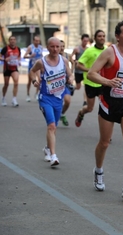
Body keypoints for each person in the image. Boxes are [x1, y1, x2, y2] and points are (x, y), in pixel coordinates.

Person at [86, 20, 123, 197]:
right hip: (109, 102)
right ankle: (98, 170)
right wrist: (108, 82)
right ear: (118, 36)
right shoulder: (110, 52)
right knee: (104, 142)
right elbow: (91, 73)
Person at [29, 37, 73, 166]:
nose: (55, 49)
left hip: (58, 98)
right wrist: (34, 81)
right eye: (52, 47)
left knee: (54, 127)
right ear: (47, 48)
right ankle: (54, 156)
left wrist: (70, 79)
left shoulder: (64, 60)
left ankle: (48, 148)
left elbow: (70, 74)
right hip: (45, 98)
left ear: (60, 48)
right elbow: (32, 71)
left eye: (57, 47)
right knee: (51, 125)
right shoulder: (41, 62)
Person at [74, 29, 107, 127]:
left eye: (103, 36)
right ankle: (81, 113)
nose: (102, 38)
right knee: (89, 108)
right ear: (95, 38)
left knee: (104, 108)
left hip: (103, 83)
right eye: (99, 36)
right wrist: (90, 70)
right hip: (90, 83)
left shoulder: (107, 50)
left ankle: (106, 133)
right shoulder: (89, 51)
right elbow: (79, 65)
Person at [1, 36, 21, 107]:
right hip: (7, 68)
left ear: (15, 41)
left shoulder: (18, 48)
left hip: (14, 68)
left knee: (16, 83)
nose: (12, 41)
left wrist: (19, 61)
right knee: (6, 84)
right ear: (9, 41)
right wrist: (4, 59)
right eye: (11, 40)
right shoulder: (6, 48)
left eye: (14, 39)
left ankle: (14, 99)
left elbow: (19, 57)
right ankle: (3, 98)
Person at [24, 35, 44, 102]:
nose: (37, 42)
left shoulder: (41, 47)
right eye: (36, 41)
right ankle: (28, 94)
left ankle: (37, 93)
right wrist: (30, 56)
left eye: (38, 41)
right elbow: (24, 56)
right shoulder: (30, 47)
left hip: (38, 67)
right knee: (30, 81)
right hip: (32, 66)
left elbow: (41, 56)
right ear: (33, 41)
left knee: (40, 79)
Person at [71, 33, 90, 105]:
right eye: (84, 41)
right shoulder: (77, 49)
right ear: (82, 40)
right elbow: (71, 57)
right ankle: (73, 88)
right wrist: (74, 62)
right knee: (78, 87)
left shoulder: (88, 49)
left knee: (86, 86)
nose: (85, 42)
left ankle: (85, 101)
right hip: (78, 70)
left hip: (85, 70)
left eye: (87, 41)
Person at [59, 40, 74, 126]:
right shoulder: (54, 56)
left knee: (67, 101)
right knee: (58, 102)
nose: (61, 48)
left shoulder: (67, 55)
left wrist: (71, 74)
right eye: (60, 46)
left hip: (66, 82)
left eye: (63, 46)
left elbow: (73, 63)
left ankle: (62, 113)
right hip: (56, 83)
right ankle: (55, 117)